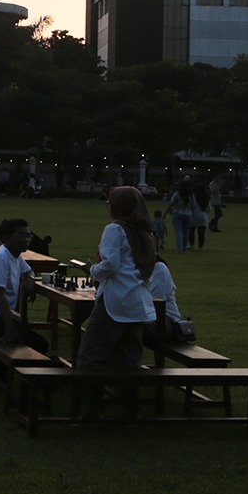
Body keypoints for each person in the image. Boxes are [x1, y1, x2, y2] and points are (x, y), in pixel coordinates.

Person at [76, 187, 158, 421]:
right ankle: (130, 412)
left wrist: (92, 270)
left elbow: (110, 265)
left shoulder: (115, 229)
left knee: (90, 357)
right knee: (129, 360)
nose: (108, 206)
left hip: (115, 301)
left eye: (110, 202)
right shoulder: (146, 234)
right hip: (138, 303)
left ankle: (92, 412)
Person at [0, 218, 50, 357]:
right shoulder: (2, 258)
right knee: (39, 345)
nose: (26, 240)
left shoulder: (14, 255)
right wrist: (9, 329)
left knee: (35, 343)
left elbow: (28, 271)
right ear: (7, 238)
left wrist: (30, 280)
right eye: (21, 235)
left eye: (28, 235)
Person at [166, 178, 195, 253]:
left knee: (178, 231)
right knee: (186, 232)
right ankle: (184, 248)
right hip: (188, 214)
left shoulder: (177, 194)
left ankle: (180, 248)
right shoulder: (190, 195)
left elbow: (171, 203)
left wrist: (166, 213)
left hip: (177, 213)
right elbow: (193, 206)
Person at [191, 181, 210, 250]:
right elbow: (208, 209)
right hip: (203, 216)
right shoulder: (206, 199)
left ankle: (191, 245)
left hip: (194, 216)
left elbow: (192, 206)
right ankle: (200, 247)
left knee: (191, 231)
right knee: (201, 233)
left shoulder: (193, 197)